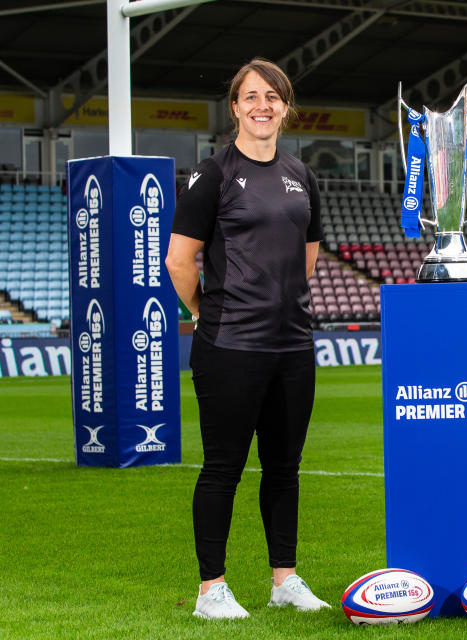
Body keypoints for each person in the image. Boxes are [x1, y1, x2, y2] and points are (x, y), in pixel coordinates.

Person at [165, 58, 326, 620]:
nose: (263, 106)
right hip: (230, 346)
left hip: (292, 346)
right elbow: (180, 261)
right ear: (234, 106)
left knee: (285, 469)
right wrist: (207, 312)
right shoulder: (212, 174)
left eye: (273, 97)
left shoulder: (301, 175)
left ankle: (285, 579)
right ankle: (212, 590)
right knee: (223, 469)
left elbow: (307, 257)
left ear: (286, 107)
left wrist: (282, 309)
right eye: (251, 96)